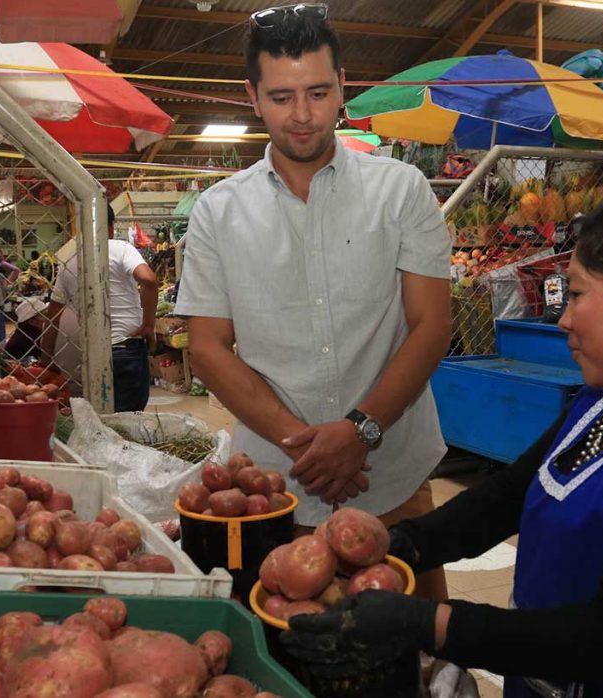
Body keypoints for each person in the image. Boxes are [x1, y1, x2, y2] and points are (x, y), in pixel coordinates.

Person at [282, 188, 603, 698]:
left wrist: (428, 622)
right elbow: (509, 495)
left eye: (578, 294)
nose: (564, 318)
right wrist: (402, 545)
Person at [174, 5, 452, 598]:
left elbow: (431, 326)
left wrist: (361, 432)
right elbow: (208, 348)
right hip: (275, 490)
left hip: (394, 475)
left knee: (418, 659)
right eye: (281, 97)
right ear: (252, 96)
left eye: (318, 92)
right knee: (289, 653)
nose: (302, 116)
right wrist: (310, 448)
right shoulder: (218, 213)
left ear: (343, 86)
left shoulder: (401, 191)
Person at [39, 203, 157, 412]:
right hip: (126, 348)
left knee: (103, 417)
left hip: (92, 355)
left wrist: (47, 360)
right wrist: (148, 326)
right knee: (130, 420)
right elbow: (148, 280)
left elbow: (51, 319)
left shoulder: (69, 263)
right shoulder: (121, 248)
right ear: (111, 226)